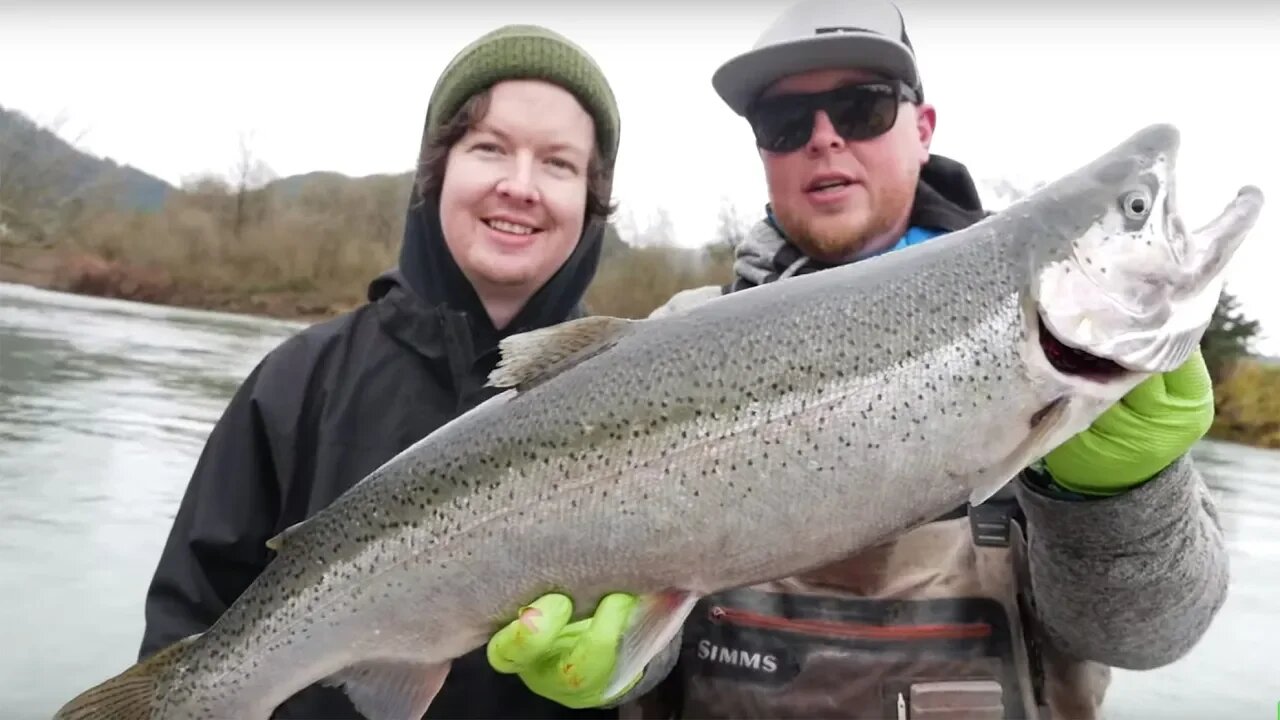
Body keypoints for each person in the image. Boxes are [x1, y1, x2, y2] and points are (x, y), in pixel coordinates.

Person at [483, 1, 1230, 718]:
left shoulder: (1051, 355)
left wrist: (1119, 500)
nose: (823, 139)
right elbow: (649, 632)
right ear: (762, 152)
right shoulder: (674, 338)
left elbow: (1145, 638)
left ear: (923, 127)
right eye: (783, 122)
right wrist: (620, 662)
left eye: (863, 108)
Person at [138, 23, 626, 719]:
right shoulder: (297, 382)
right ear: (439, 168)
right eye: (489, 148)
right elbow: (188, 614)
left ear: (591, 199)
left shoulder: (633, 393)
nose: (520, 186)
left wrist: (633, 678)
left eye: (558, 163)